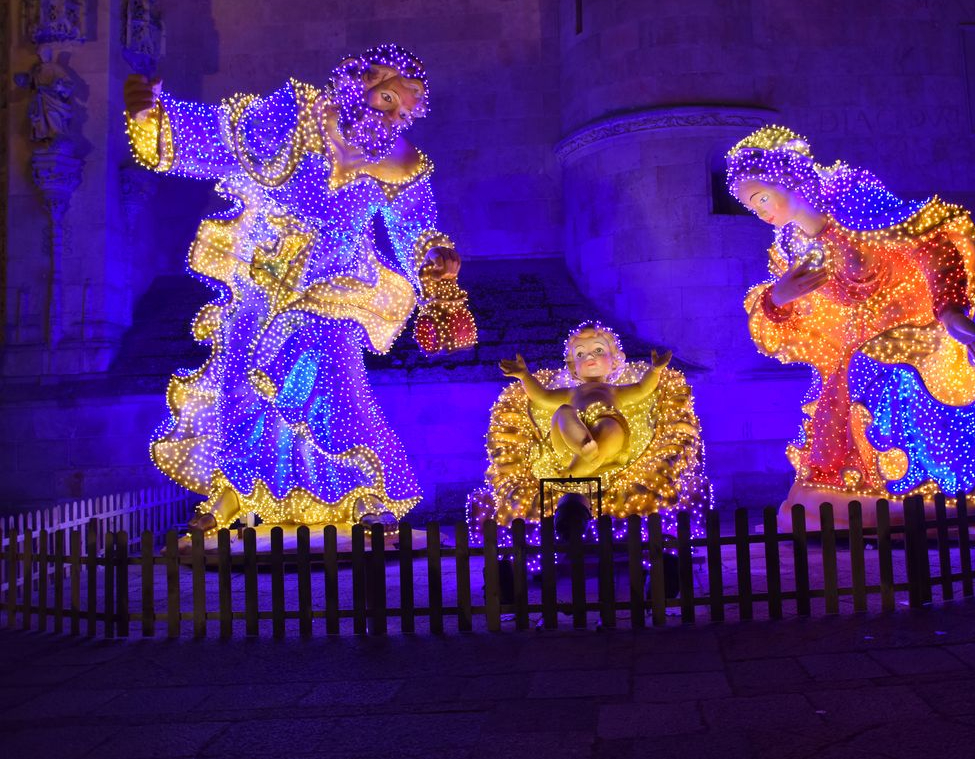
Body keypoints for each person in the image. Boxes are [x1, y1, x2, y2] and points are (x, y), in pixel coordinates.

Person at [122, 44, 476, 531]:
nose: (396, 117)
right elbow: (222, 136)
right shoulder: (294, 115)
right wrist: (154, 117)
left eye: (407, 108)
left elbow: (415, 225)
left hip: (335, 284)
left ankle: (362, 492)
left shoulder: (402, 160)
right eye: (389, 98)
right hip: (263, 277)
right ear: (358, 85)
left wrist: (433, 255)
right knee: (240, 385)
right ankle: (236, 494)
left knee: (335, 384)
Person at [725, 125, 975, 527]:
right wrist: (778, 297)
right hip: (859, 350)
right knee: (838, 395)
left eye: (760, 198)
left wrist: (952, 313)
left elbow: (930, 243)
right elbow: (801, 319)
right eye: (750, 206)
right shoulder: (793, 247)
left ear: (787, 178)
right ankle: (850, 501)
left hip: (917, 334)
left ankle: (925, 494)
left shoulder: (853, 200)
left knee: (875, 372)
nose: (759, 212)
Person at [499, 323, 672, 477]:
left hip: (605, 430)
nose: (589, 357)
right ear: (574, 369)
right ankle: (584, 448)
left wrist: (655, 371)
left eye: (598, 351)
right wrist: (524, 376)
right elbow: (542, 396)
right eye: (581, 354)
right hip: (570, 445)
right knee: (563, 411)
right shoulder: (571, 393)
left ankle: (579, 466)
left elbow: (642, 388)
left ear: (614, 362)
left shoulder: (614, 391)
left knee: (609, 426)